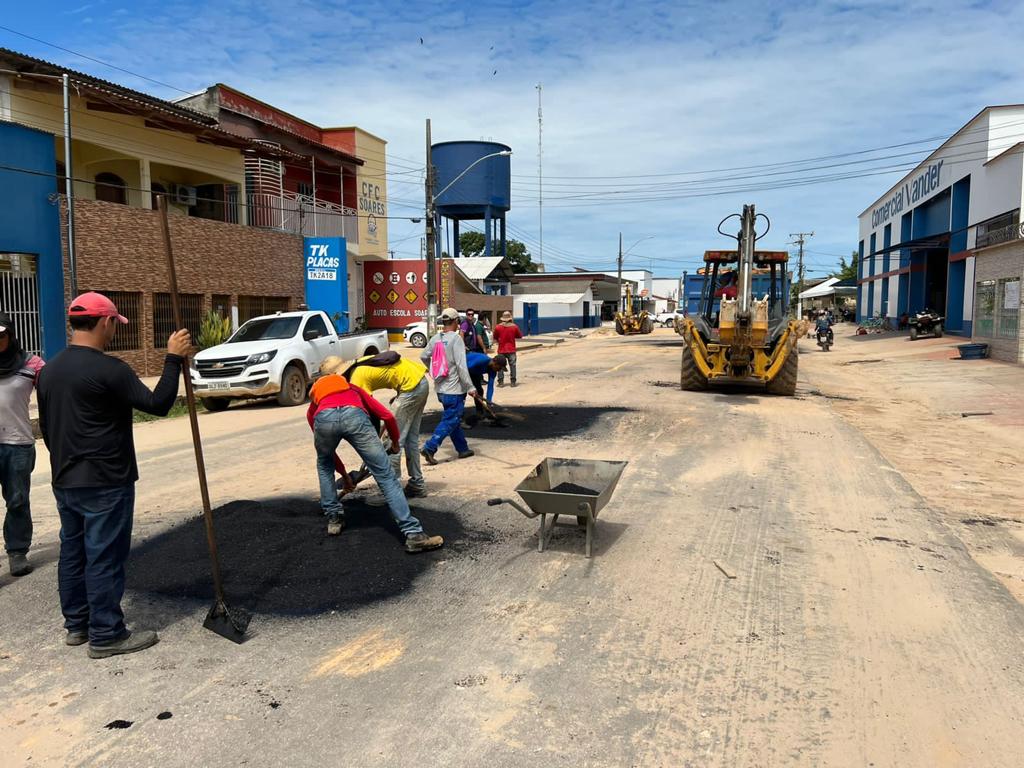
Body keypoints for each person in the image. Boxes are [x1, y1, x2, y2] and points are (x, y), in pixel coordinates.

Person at [37, 292, 190, 658]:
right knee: (104, 556)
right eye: (114, 325)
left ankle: (78, 625)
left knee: (73, 553)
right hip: (106, 480)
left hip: (66, 480)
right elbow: (158, 405)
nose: (113, 333)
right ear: (105, 322)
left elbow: (46, 426)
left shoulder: (49, 371)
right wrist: (172, 358)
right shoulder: (111, 370)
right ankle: (106, 633)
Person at [308, 356, 443, 553]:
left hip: (324, 419)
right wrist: (395, 443)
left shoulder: (315, 401)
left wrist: (344, 476)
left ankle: (334, 518)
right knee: (386, 475)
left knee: (323, 465)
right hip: (356, 417)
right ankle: (413, 534)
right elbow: (387, 416)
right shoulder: (351, 387)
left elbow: (328, 456)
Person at [346, 352, 430, 498]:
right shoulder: (361, 362)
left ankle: (392, 493)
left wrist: (373, 437)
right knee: (410, 440)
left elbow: (369, 410)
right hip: (420, 383)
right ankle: (417, 484)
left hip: (410, 389)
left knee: (391, 441)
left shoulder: (355, 379)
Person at [0, 311, 45, 578]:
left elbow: (56, 392)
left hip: (17, 444)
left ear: (11, 335)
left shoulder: (32, 364)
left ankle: (17, 552)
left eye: (1, 336)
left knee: (17, 501)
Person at [420, 307, 475, 465]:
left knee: (454, 419)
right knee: (451, 419)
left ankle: (462, 449)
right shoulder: (456, 339)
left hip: (441, 389)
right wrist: (470, 388)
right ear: (456, 321)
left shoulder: (436, 338)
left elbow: (424, 356)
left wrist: (434, 370)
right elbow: (461, 366)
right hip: (454, 390)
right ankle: (430, 447)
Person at [464, 352, 506, 426]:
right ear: (495, 363)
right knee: (461, 393)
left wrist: (488, 402)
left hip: (474, 372)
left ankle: (479, 414)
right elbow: (464, 370)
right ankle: (459, 418)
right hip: (463, 369)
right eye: (499, 368)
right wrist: (469, 387)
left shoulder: (493, 371)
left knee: (479, 391)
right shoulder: (481, 360)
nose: (499, 370)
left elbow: (490, 386)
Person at [492, 311, 523, 387]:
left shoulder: (498, 327)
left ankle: (501, 382)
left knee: (500, 365)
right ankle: (513, 382)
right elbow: (519, 336)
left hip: (501, 349)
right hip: (511, 349)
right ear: (510, 318)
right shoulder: (514, 326)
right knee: (512, 365)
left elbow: (495, 336)